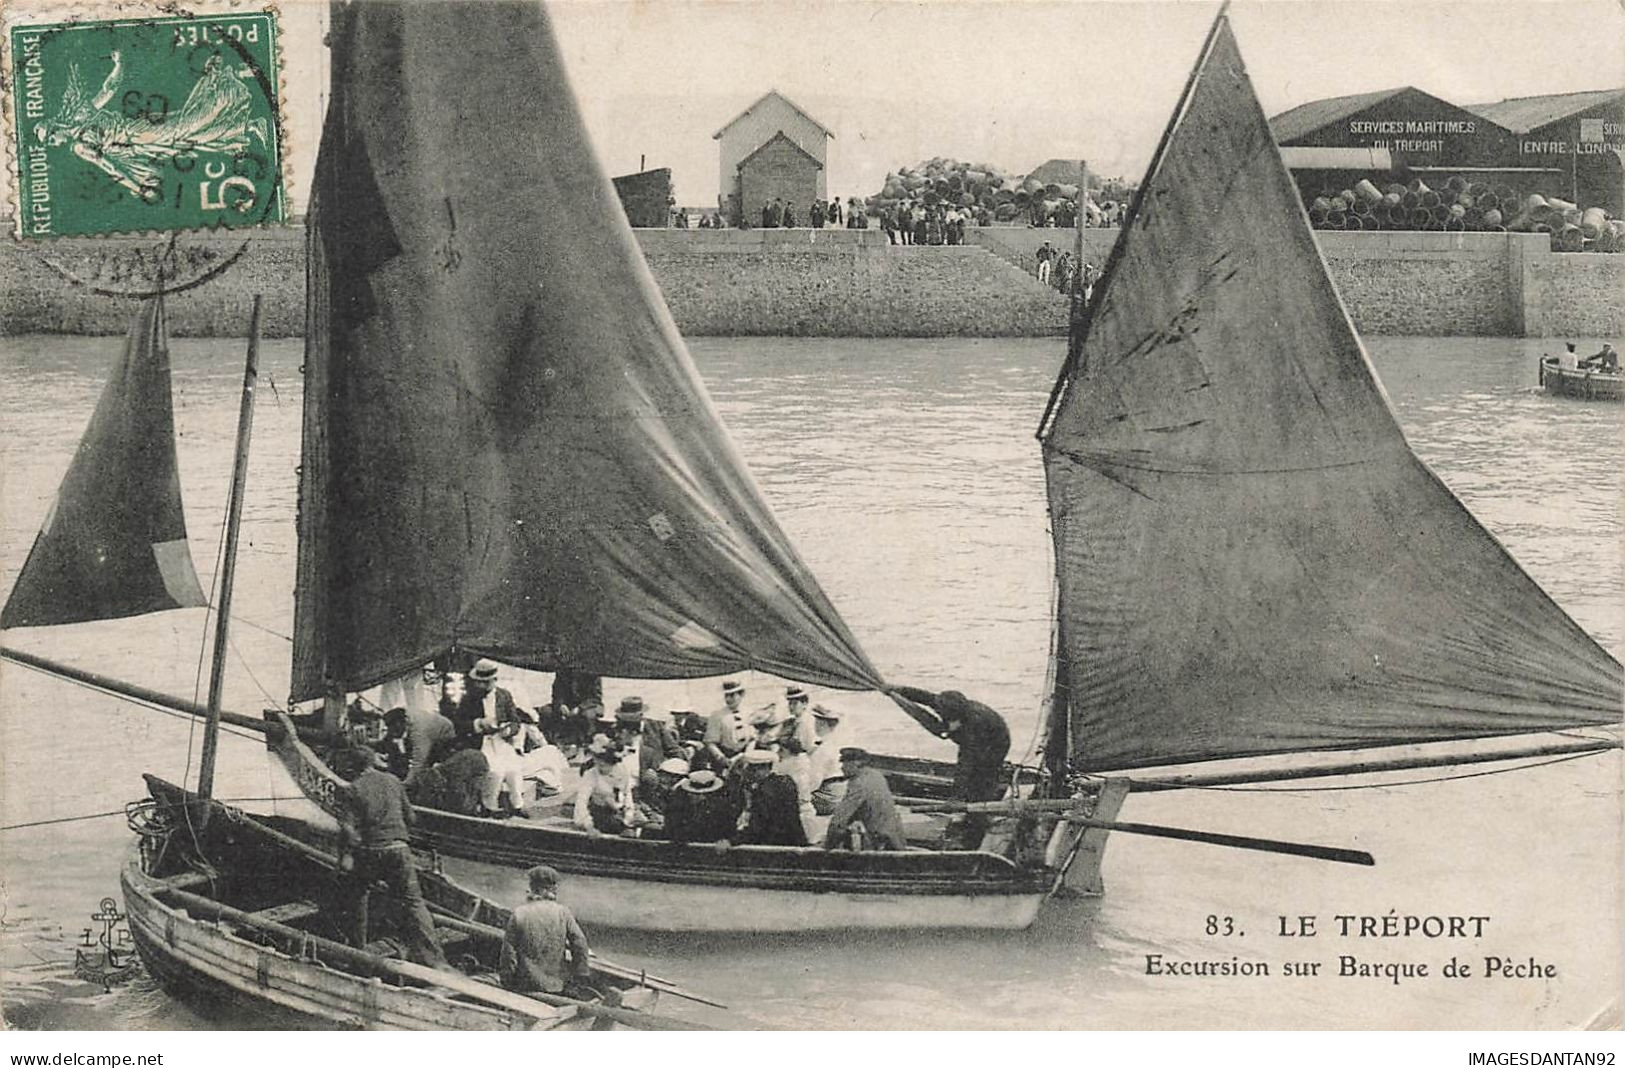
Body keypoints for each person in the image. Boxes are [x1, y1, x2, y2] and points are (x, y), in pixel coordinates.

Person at [332, 746, 450, 968]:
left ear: (351, 767)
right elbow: (411, 817)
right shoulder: (394, 781)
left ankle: (358, 951)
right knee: (414, 903)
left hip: (372, 852)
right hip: (399, 850)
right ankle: (435, 959)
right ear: (372, 762)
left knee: (357, 894)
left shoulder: (352, 789)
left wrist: (346, 857)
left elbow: (347, 829)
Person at [890, 686, 1010, 848]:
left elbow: (965, 763)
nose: (939, 714)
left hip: (994, 747)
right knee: (973, 779)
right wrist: (898, 690)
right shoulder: (948, 703)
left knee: (979, 783)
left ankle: (975, 827)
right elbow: (925, 696)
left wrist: (956, 795)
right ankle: (970, 813)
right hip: (985, 736)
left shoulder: (972, 727)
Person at [500, 865, 593, 997]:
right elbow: (580, 944)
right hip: (556, 985)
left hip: (525, 985)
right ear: (553, 889)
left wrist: (507, 983)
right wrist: (580, 975)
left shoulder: (519, 913)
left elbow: (508, 954)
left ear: (532, 887)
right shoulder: (563, 913)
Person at [822, 747, 907, 851]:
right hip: (896, 838)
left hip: (882, 842)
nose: (842, 768)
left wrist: (826, 848)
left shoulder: (858, 783)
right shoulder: (876, 775)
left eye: (845, 764)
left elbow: (839, 820)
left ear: (856, 764)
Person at [732, 749, 808, 846]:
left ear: (759, 769)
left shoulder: (764, 792)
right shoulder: (786, 782)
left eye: (751, 769)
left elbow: (758, 825)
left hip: (774, 843)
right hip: (794, 840)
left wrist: (733, 841)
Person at [664, 769, 740, 844]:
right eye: (695, 794)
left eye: (707, 794)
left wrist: (726, 841)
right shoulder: (677, 806)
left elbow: (731, 830)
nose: (701, 796)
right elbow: (671, 828)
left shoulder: (722, 808)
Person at [806, 703, 847, 815]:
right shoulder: (836, 742)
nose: (815, 725)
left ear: (822, 723)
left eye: (817, 721)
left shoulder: (823, 749)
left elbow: (813, 782)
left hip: (827, 800)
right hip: (839, 796)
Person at [635, 756, 690, 839]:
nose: (660, 779)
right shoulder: (673, 791)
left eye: (663, 775)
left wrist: (647, 822)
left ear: (675, 777)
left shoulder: (681, 793)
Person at [704, 679, 750, 757]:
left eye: (732, 695)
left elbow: (753, 739)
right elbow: (710, 742)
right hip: (725, 757)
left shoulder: (749, 713)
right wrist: (722, 758)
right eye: (726, 695)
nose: (728, 699)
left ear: (741, 694)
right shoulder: (717, 715)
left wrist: (747, 755)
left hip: (746, 755)